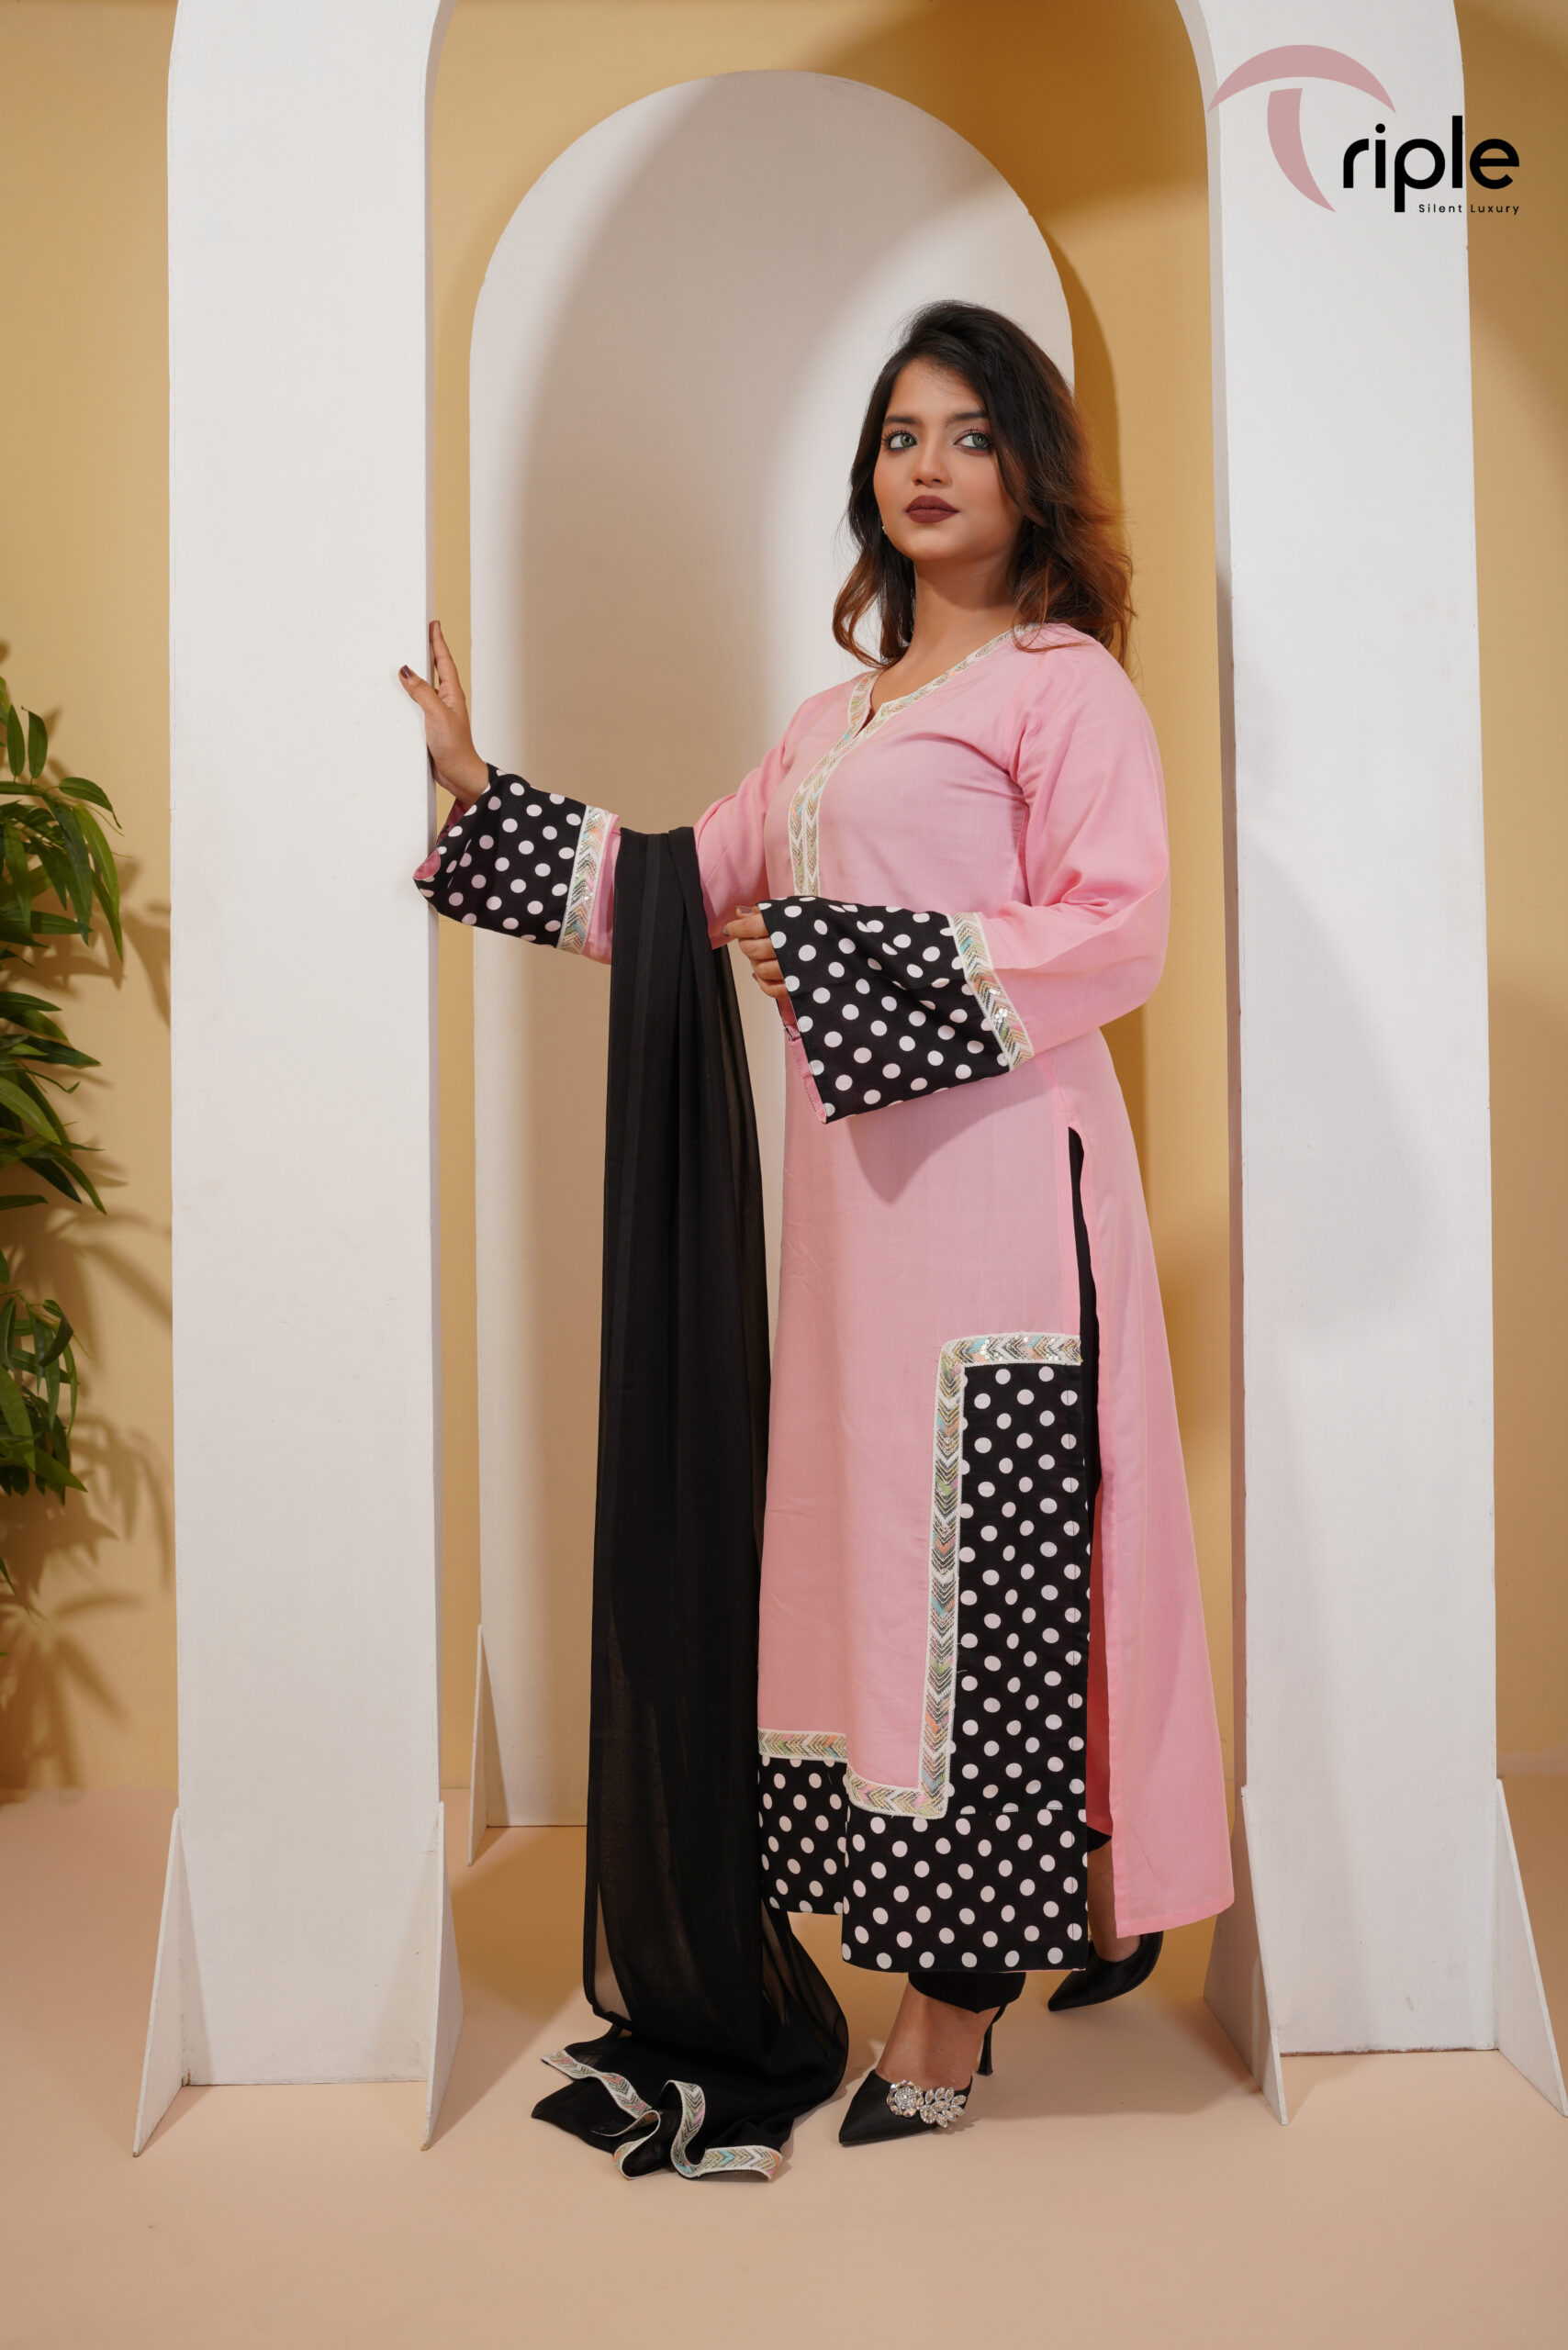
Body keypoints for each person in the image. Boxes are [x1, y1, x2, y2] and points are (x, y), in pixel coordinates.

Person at [402, 300, 1231, 2154]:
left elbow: (1117, 930)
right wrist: (484, 801)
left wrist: (846, 958)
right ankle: (982, 1930)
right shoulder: (827, 723)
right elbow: (680, 888)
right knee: (877, 1591)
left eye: (970, 434)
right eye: (899, 435)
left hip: (1006, 1222)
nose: (927, 465)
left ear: (1030, 474)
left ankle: (955, 1998)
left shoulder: (1061, 688)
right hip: (857, 1240)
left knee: (990, 1584)